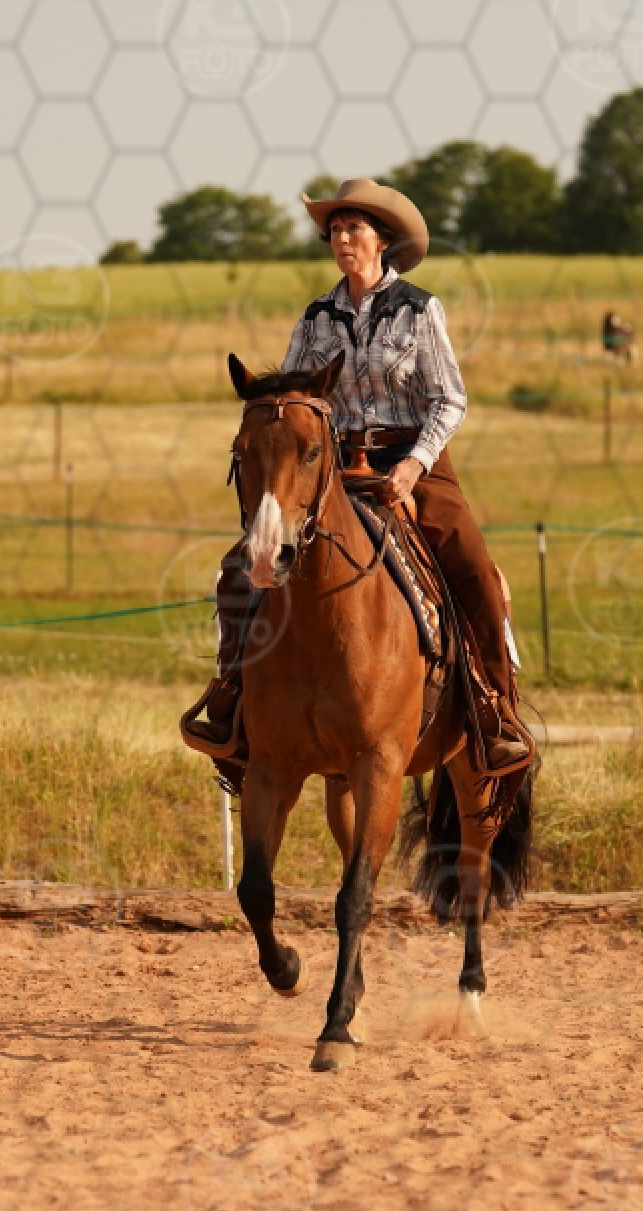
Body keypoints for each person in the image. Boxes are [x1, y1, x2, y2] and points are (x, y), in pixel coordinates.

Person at [182, 178, 532, 772]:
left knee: (471, 565)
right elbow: (293, 401)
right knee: (241, 567)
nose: (342, 238)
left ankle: (492, 707)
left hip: (414, 462)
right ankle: (231, 693)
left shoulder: (419, 310)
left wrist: (414, 466)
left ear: (383, 240)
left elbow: (449, 399)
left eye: (354, 228)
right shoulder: (315, 317)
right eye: (335, 230)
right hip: (332, 468)